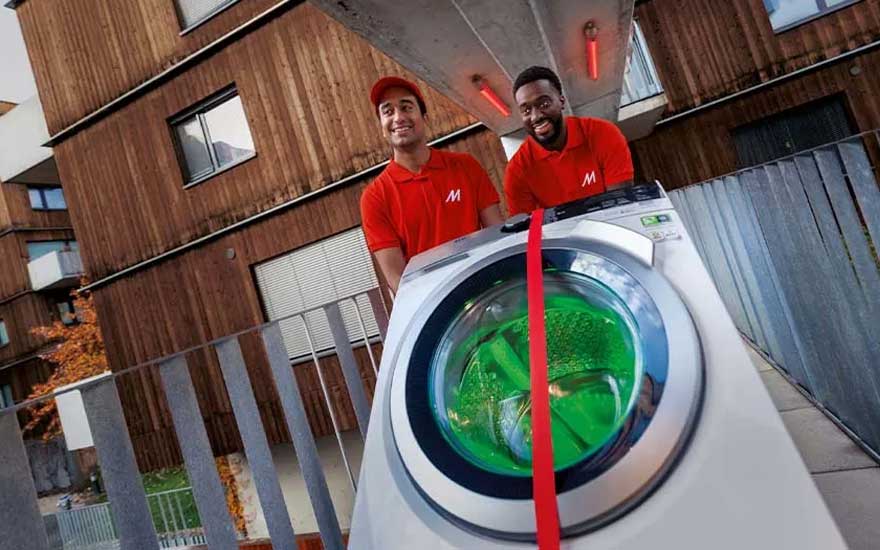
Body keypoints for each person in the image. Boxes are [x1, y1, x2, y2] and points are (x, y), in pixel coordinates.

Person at [360, 76, 504, 294]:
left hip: (487, 293)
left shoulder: (465, 167)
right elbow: (397, 280)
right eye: (388, 111)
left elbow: (498, 235)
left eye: (406, 107)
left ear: (424, 118)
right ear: (381, 127)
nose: (398, 117)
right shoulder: (375, 197)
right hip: (437, 307)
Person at [504, 66, 634, 215]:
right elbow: (527, 231)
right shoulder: (517, 171)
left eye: (544, 104)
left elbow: (622, 207)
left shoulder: (604, 134)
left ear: (561, 101)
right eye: (526, 110)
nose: (535, 116)